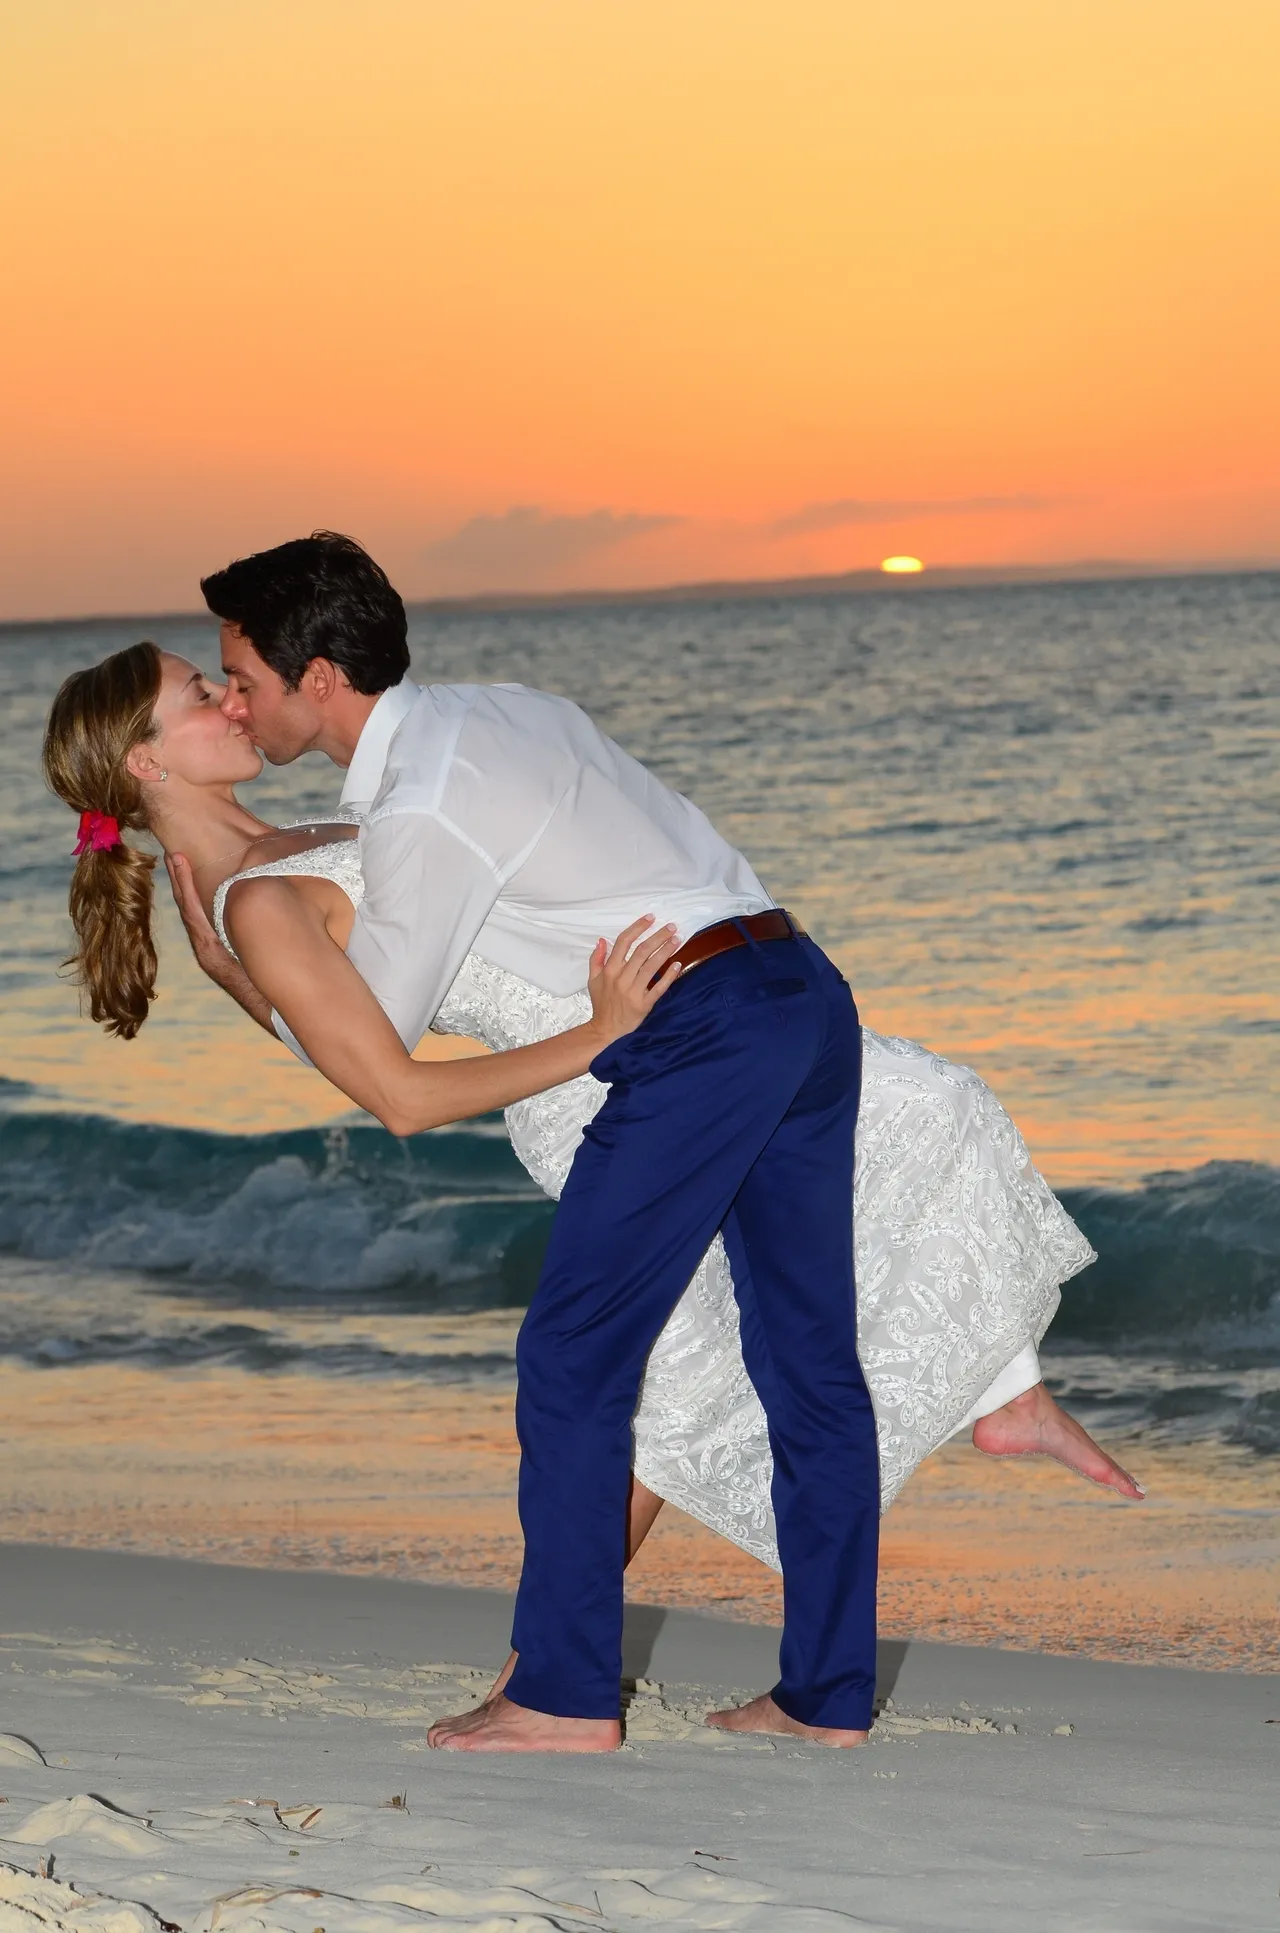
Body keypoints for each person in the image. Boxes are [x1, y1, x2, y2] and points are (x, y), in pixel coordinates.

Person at [42, 537, 1141, 1745]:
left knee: (579, 1362)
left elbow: (391, 1080)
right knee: (799, 1365)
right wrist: (243, 970)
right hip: (781, 985)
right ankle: (821, 1695)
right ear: (144, 759)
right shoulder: (427, 763)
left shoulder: (355, 822)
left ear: (313, 674)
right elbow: (374, 1053)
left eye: (228, 671)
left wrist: (600, 1036)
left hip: (670, 1043)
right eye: (200, 688)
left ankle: (562, 1692)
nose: (224, 691)